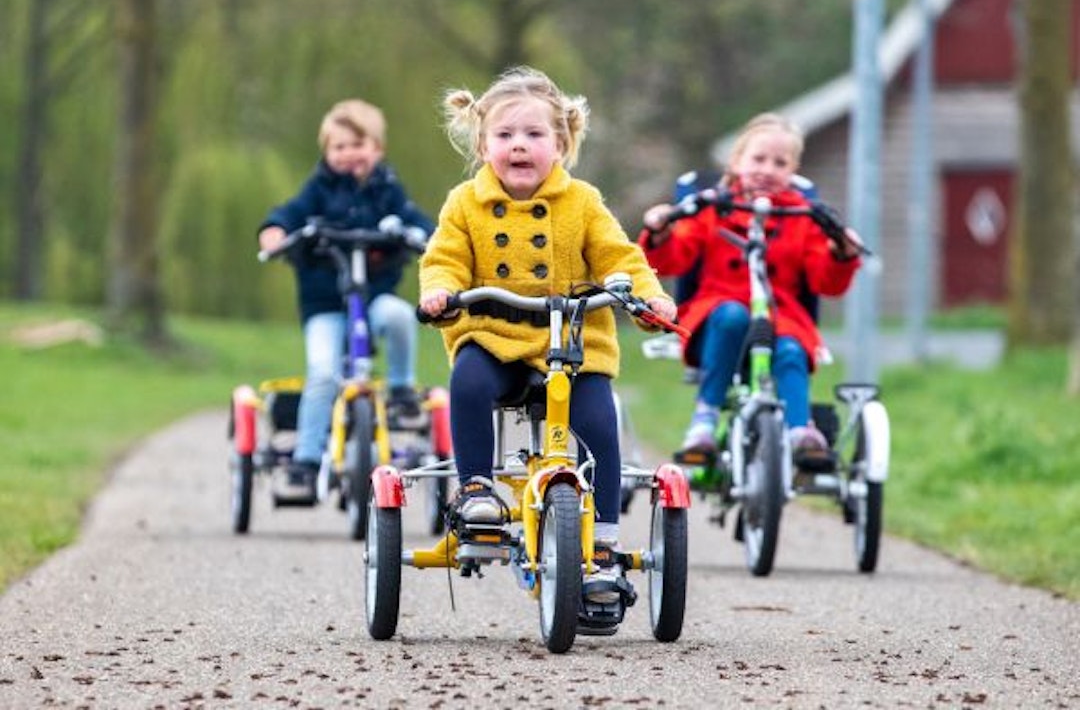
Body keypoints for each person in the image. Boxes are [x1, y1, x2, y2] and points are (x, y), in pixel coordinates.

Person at [418, 66, 675, 602]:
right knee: (466, 384)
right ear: (483, 143)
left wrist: (647, 297)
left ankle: (602, 544)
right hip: (494, 336)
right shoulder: (465, 203)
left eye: (533, 135)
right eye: (505, 136)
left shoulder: (581, 201)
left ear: (560, 143)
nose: (519, 146)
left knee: (602, 424)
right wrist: (441, 291)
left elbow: (618, 258)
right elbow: (443, 258)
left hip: (572, 346)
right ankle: (476, 491)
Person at [639, 112, 863, 458]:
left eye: (780, 163)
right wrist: (660, 232)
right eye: (758, 158)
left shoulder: (802, 217)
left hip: (780, 318)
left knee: (791, 351)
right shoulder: (714, 207)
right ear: (737, 161)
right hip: (718, 313)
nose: (767, 169)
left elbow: (824, 280)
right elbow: (674, 258)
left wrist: (840, 253)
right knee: (732, 317)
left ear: (793, 172)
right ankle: (705, 419)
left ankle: (800, 431)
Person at [259, 98, 435, 501]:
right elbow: (289, 214)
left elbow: (416, 219)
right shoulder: (319, 190)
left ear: (377, 149)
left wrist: (430, 236)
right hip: (326, 307)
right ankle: (306, 460)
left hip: (373, 300)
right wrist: (275, 232)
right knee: (322, 373)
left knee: (401, 317)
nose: (348, 154)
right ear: (326, 152)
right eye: (339, 147)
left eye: (358, 144)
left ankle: (402, 389)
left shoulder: (387, 191)